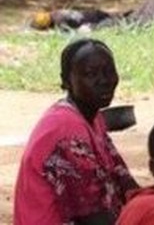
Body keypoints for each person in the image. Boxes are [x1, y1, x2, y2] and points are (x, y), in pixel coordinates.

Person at [14, 38, 138, 224]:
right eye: (91, 74)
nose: (104, 80)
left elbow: (122, 179)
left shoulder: (91, 117)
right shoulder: (66, 132)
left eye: (109, 71)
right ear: (66, 82)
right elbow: (94, 218)